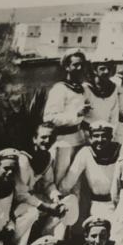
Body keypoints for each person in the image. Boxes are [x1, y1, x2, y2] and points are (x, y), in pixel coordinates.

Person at [43, 50, 93, 185]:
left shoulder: (83, 89)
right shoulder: (60, 89)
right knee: (59, 179)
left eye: (82, 65)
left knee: (75, 182)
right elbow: (49, 118)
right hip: (63, 142)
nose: (80, 68)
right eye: (75, 65)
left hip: (80, 139)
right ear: (67, 67)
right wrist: (76, 114)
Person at [59, 121, 123, 220]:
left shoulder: (122, 150)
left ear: (111, 137)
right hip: (97, 206)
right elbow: (67, 183)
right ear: (90, 138)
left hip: (121, 205)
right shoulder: (85, 153)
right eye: (96, 136)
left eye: (104, 136)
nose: (100, 140)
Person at [14, 123, 67, 245]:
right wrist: (46, 207)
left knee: (63, 208)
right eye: (43, 137)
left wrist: (55, 197)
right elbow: (20, 194)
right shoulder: (23, 159)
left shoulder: (47, 157)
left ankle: (49, 242)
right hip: (16, 203)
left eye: (51, 137)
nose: (47, 141)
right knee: (31, 213)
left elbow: (48, 184)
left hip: (31, 199)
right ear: (34, 139)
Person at [85, 57, 120, 127]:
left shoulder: (113, 87)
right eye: (102, 69)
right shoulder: (86, 88)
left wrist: (112, 130)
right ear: (95, 70)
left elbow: (114, 115)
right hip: (88, 130)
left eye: (109, 68)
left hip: (106, 130)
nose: (106, 71)